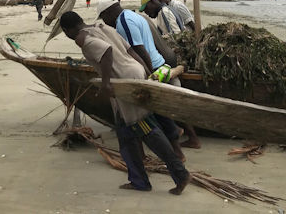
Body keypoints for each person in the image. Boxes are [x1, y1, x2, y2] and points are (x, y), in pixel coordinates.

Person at [59, 11, 190, 194]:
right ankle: (139, 180)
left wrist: (105, 83)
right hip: (133, 72)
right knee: (124, 132)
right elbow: (130, 50)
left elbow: (106, 52)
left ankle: (180, 173)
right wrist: (144, 72)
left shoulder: (83, 38)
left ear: (66, 30)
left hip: (123, 81)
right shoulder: (102, 27)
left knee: (145, 127)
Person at [97, 0, 188, 157]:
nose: (105, 21)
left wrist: (148, 74)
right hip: (156, 63)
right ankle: (175, 139)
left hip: (151, 67)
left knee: (154, 112)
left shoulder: (123, 22)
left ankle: (175, 145)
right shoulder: (132, 15)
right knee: (158, 111)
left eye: (103, 17)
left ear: (109, 12)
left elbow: (138, 49)